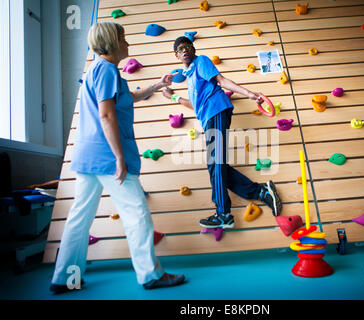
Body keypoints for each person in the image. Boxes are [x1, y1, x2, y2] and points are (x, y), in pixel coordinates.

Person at [50, 22, 185, 293]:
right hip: (105, 156)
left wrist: (158, 84)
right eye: (123, 38)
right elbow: (107, 114)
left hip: (89, 154)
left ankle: (65, 277)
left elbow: (128, 98)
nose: (127, 43)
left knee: (80, 215)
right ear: (111, 42)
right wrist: (119, 158)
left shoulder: (98, 69)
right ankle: (150, 274)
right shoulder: (108, 70)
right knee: (136, 212)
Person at [162, 36, 282, 229]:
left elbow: (222, 80)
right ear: (176, 56)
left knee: (215, 162)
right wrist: (173, 96)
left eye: (188, 47)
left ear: (193, 50)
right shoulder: (191, 76)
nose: (185, 50)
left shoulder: (201, 61)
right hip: (209, 116)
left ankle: (223, 214)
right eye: (180, 49)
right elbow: (195, 105)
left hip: (217, 110)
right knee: (214, 165)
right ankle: (261, 192)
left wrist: (250, 94)